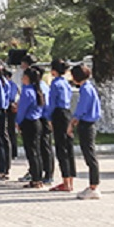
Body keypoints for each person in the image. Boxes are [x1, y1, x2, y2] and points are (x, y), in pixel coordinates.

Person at [70, 63, 102, 200]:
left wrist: (73, 121)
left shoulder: (85, 90)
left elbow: (82, 107)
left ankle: (94, 186)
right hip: (89, 123)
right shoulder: (89, 87)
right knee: (89, 154)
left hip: (86, 124)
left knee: (90, 155)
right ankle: (93, 185)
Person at [47, 59, 76, 192]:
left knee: (61, 148)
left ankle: (65, 180)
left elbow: (52, 102)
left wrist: (49, 118)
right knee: (68, 147)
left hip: (58, 114)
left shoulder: (55, 83)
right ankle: (70, 180)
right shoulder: (66, 83)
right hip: (67, 112)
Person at [17, 67, 46, 189]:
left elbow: (22, 109)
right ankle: (38, 177)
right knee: (37, 151)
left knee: (31, 152)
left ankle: (35, 178)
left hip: (29, 122)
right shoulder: (37, 90)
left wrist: (17, 122)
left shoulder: (27, 91)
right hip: (37, 121)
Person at [2, 67, 19, 159]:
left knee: (11, 130)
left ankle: (13, 152)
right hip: (5, 107)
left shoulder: (12, 85)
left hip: (10, 108)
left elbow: (11, 97)